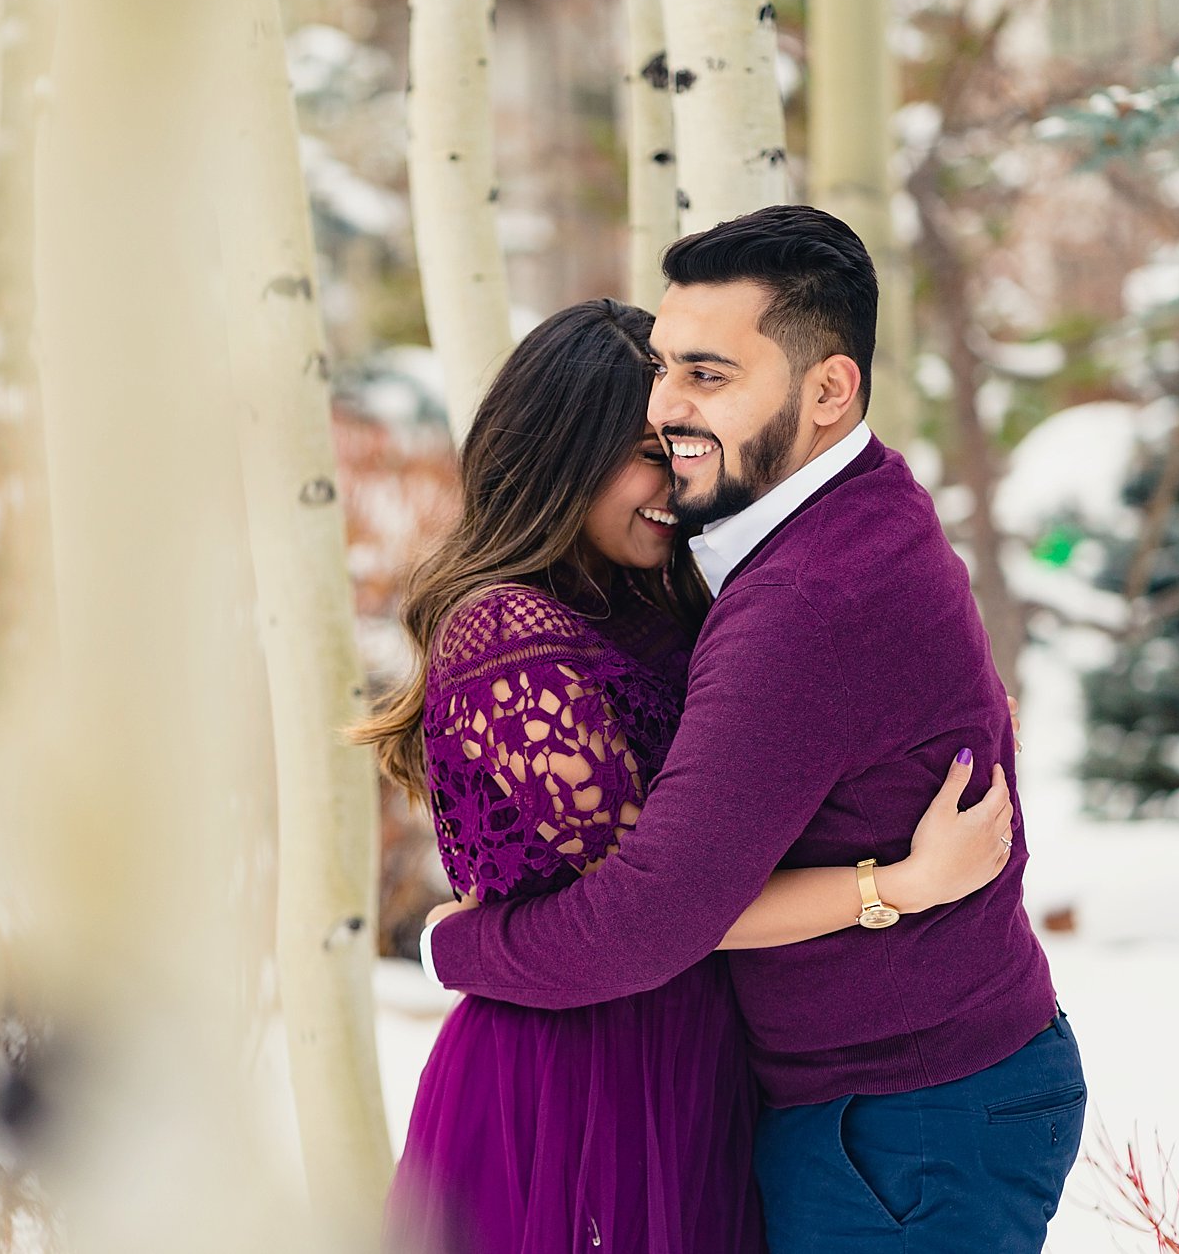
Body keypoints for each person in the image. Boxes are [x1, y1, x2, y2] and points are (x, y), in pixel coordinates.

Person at [421, 208, 1086, 1254]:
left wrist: (450, 943)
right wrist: (891, 883)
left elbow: (652, 920)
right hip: (803, 1094)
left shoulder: (803, 594)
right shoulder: (849, 510)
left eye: (707, 377)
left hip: (896, 1118)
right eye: (661, 372)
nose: (671, 407)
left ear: (829, 391)